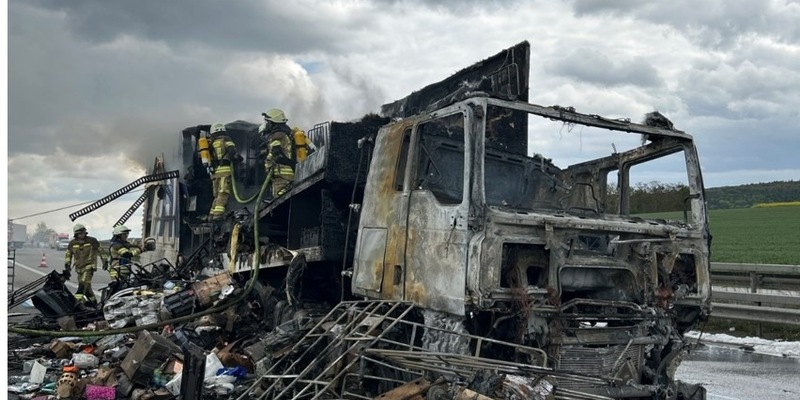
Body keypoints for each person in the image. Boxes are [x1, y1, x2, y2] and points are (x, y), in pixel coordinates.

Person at [260, 108, 296, 198]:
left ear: (273, 122)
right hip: (287, 176)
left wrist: (267, 166)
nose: (266, 124)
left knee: (280, 202)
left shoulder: (277, 136)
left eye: (267, 122)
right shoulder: (285, 133)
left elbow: (274, 153)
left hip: (282, 177)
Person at [208, 123, 240, 220]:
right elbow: (233, 153)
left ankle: (211, 216)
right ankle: (218, 216)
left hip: (215, 173)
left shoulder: (211, 143)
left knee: (217, 195)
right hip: (225, 171)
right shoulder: (226, 140)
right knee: (223, 193)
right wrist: (238, 159)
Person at [64, 223, 100, 306]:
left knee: (82, 285)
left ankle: (75, 305)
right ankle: (94, 304)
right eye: (80, 233)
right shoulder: (72, 243)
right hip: (79, 269)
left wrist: (105, 261)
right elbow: (68, 255)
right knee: (88, 290)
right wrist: (67, 265)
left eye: (83, 232)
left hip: (89, 267)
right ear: (76, 234)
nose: (82, 234)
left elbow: (101, 251)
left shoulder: (92, 241)